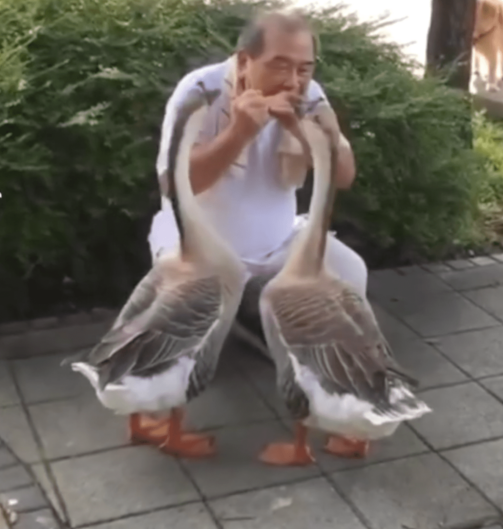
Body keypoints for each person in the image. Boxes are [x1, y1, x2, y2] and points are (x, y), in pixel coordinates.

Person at [148, 9, 368, 350]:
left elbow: (344, 176)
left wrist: (300, 129)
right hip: (199, 247)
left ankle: (258, 314)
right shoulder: (199, 90)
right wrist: (239, 133)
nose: (293, 81)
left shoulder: (310, 98)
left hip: (281, 243)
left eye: (304, 68)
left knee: (350, 275)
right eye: (280, 65)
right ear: (245, 60)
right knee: (180, 350)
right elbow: (174, 186)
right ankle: (242, 312)